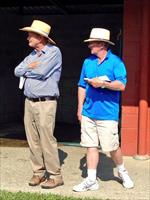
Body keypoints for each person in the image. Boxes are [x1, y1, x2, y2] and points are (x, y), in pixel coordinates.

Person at [73, 28, 134, 192]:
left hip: (108, 114)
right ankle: (91, 180)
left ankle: (122, 172)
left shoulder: (116, 62)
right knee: (90, 146)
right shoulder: (88, 62)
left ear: (101, 44)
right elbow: (81, 86)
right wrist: (80, 108)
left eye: (92, 43)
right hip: (88, 113)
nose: (89, 46)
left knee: (112, 147)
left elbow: (122, 85)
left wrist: (104, 84)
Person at [14, 20, 63, 189]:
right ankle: (38, 173)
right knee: (32, 139)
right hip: (29, 102)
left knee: (46, 139)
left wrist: (28, 71)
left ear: (40, 38)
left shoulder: (54, 52)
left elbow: (42, 73)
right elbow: (16, 71)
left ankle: (55, 176)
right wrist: (29, 66)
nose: (28, 38)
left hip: (45, 102)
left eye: (30, 35)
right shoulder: (31, 56)